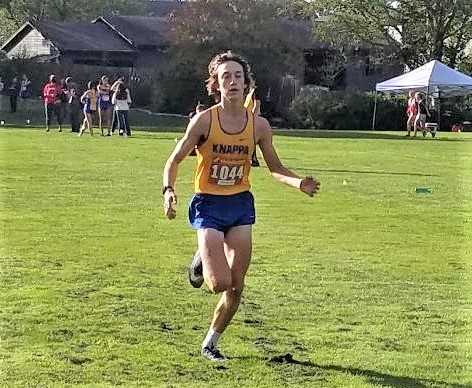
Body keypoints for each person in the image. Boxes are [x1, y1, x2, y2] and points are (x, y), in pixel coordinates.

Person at [162, 51, 320, 362]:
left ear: (246, 83)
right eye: (226, 77)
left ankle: (210, 343)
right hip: (208, 205)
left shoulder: (258, 125)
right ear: (216, 85)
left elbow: (275, 167)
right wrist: (168, 191)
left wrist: (298, 182)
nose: (232, 81)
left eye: (237, 76)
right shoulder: (204, 120)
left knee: (235, 287)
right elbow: (174, 159)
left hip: (239, 206)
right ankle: (199, 262)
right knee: (218, 282)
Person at [244, 87, 261, 166]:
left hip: (252, 118)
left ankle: (253, 159)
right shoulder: (249, 92)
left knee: (251, 138)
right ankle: (252, 158)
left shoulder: (255, 91)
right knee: (248, 138)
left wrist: (251, 117)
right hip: (248, 117)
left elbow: (257, 105)